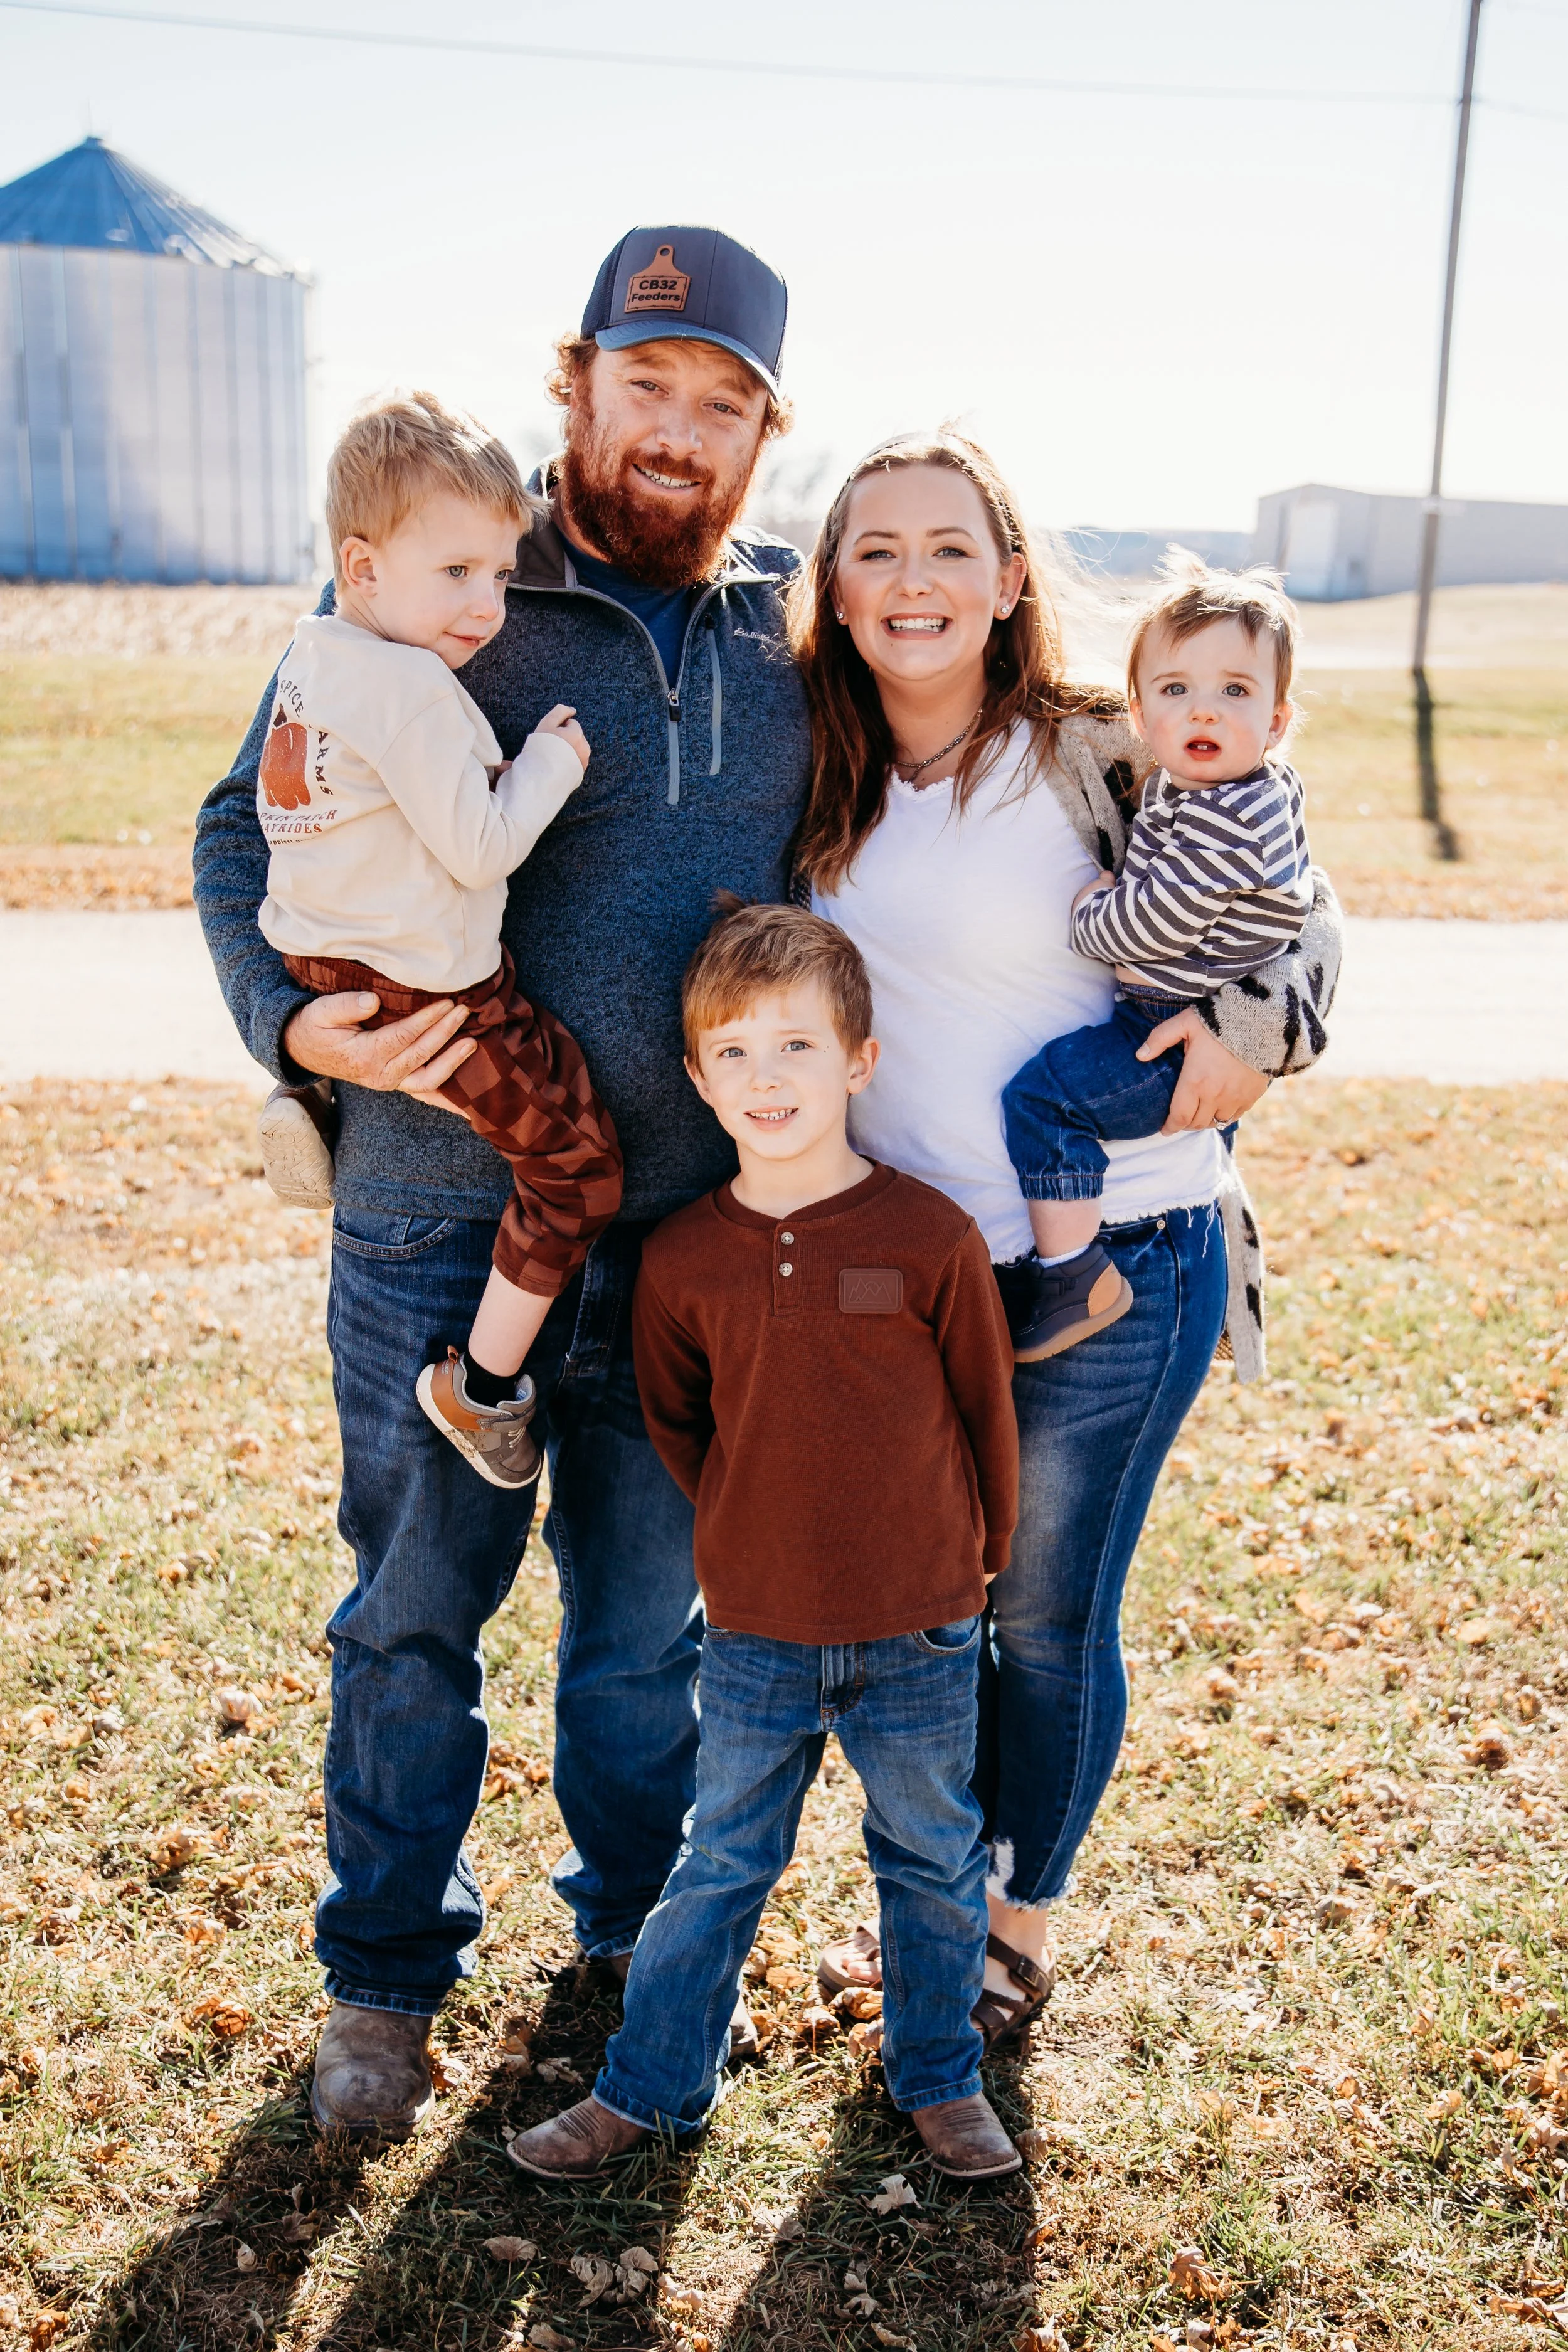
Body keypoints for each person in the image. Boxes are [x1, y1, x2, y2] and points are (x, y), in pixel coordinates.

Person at [193, 226, 810, 2138]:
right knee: (408, 1612)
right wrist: (289, 1026)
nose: (676, 430)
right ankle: (383, 1978)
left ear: (762, 435)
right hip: (432, 1212)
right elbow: (238, 825)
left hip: (687, 1230)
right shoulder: (446, 573)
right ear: (577, 383)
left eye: (721, 403)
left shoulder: (789, 632)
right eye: (645, 383)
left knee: (643, 1641)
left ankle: (632, 1946)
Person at [793, 433, 1342, 2044]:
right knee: (929, 1615)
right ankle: (935, 1899)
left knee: (1041, 1615)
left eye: (949, 548)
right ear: (836, 588)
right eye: (876, 549)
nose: (913, 580)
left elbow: (1302, 901)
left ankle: (1010, 1927)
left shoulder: (1096, 748)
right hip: (916, 1271)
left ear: (1009, 579)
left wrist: (1259, 1030)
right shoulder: (814, 761)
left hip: (1124, 1256)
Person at [506, 901, 1022, 2183]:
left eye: (796, 1046)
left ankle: (938, 2075)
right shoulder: (686, 1261)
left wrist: (980, 1555)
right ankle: (648, 2086)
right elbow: (683, 1427)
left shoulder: (926, 1237)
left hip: (919, 1624)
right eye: (732, 1052)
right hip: (754, 1633)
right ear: (696, 1078)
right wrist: (749, 1532)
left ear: (859, 1061)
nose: (765, 1077)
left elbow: (983, 1408)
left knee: (929, 1856)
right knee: (719, 1863)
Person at [254, 391, 622, 1490]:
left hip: (330, 955)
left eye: (501, 574)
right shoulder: (412, 685)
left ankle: (314, 1101)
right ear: (363, 568)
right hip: (429, 993)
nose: (486, 606)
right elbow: (479, 847)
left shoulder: (318, 655)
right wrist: (549, 765)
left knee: (556, 1075)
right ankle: (481, 1386)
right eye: (455, 571)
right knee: (578, 1171)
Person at [997, 560, 1313, 1360]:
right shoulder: (1205, 787)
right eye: (1175, 689)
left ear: (1276, 722)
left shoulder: (1228, 815)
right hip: (1166, 1014)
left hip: (1169, 1030)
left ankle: (1072, 1273)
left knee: (1044, 1099)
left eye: (1235, 691)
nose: (1203, 709)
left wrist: (1088, 917)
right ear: (1137, 713)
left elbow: (1146, 929)